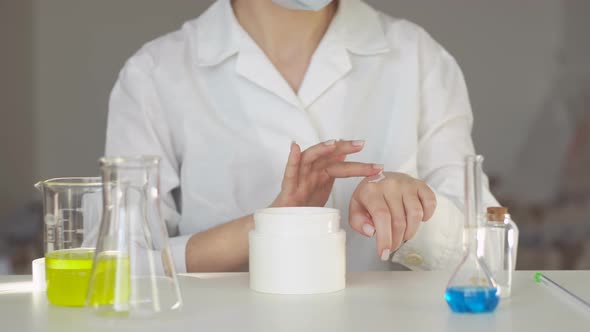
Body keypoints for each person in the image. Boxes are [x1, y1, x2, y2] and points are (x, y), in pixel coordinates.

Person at [105, 0, 498, 273]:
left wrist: (412, 212)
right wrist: (268, 225)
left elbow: (491, 252)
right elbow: (113, 264)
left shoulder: (417, 57)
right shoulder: (155, 74)